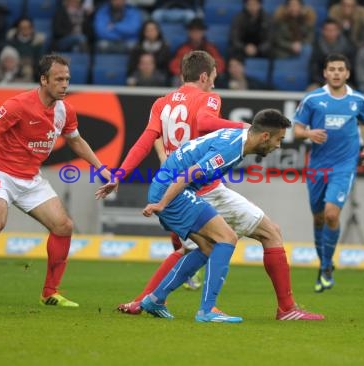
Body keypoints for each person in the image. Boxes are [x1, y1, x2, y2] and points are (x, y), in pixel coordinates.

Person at [98, 51, 324, 322]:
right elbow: (205, 123)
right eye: (214, 78)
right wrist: (245, 128)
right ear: (204, 76)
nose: (214, 84)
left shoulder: (162, 103)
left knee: (197, 247)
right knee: (260, 234)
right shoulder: (210, 99)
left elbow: (145, 141)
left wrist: (120, 173)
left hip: (177, 178)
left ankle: (147, 301)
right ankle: (280, 309)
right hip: (196, 184)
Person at [0, 54, 113, 307]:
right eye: (59, 79)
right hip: (0, 171)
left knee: (63, 226)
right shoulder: (19, 104)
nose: (64, 85)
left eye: (67, 79)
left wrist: (101, 168)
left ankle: (50, 292)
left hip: (30, 178)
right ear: (43, 80)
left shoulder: (65, 110)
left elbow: (75, 141)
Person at [140, 110, 316, 322]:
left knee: (208, 247)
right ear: (265, 137)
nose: (279, 145)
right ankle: (207, 311)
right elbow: (191, 173)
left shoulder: (237, 136)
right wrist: (162, 203)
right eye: (279, 139)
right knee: (227, 238)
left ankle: (155, 299)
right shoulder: (231, 149)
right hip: (173, 192)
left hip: (171, 188)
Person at [293, 53, 364, 293]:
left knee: (330, 214)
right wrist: (309, 134)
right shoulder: (313, 99)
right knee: (318, 218)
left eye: (341, 69)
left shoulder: (357, 100)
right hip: (317, 167)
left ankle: (326, 266)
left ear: (347, 73)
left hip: (344, 166)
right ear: (325, 73)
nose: (337, 73)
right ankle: (324, 264)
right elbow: (296, 130)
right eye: (332, 69)